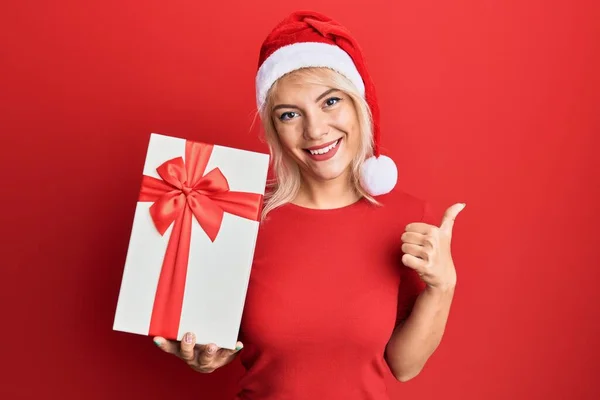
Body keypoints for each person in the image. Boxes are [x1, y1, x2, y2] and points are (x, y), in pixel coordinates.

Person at [153, 10, 465, 399]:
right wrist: (208, 352)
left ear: (358, 105)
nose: (315, 130)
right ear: (274, 129)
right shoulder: (236, 213)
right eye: (289, 114)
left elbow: (405, 365)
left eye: (330, 101)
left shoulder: (408, 218)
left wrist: (443, 286)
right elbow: (216, 340)